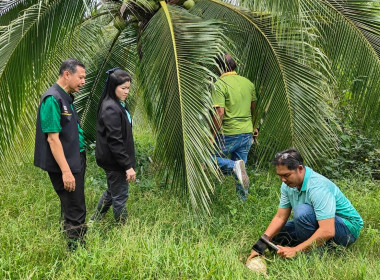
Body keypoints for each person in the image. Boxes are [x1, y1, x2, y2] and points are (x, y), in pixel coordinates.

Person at [247, 148, 363, 261]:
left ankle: (314, 256)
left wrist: (296, 250)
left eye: (286, 175)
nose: (282, 180)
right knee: (277, 237)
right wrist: (261, 244)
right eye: (280, 176)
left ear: (300, 169)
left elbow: (328, 230)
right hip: (320, 221)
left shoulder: (317, 187)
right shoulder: (287, 184)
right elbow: (280, 217)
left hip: (346, 229)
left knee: (302, 212)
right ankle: (320, 245)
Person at [34, 58, 87, 250]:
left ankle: (71, 241)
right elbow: (52, 139)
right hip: (66, 163)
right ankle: (77, 251)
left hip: (75, 158)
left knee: (71, 203)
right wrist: (66, 171)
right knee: (75, 208)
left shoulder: (66, 97)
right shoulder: (52, 98)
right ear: (67, 74)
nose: (83, 82)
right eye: (80, 77)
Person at [90, 68, 136, 224]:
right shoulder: (111, 108)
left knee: (112, 191)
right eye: (123, 88)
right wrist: (127, 166)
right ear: (112, 87)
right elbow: (115, 141)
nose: (126, 91)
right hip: (115, 161)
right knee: (120, 195)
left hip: (114, 159)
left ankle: (95, 219)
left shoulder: (118, 104)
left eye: (128, 88)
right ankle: (123, 229)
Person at [212, 53, 258, 199]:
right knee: (241, 168)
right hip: (246, 132)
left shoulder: (220, 85)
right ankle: (242, 200)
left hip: (229, 133)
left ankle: (232, 166)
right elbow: (254, 109)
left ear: (219, 67)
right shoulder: (248, 83)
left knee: (205, 158)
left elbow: (220, 114)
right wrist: (254, 127)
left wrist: (211, 135)